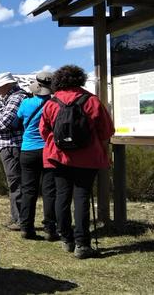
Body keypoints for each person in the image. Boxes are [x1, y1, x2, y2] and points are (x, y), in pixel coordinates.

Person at [39, 65, 115, 259]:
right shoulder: (91, 101)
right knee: (82, 198)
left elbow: (44, 131)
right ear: (80, 79)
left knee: (61, 196)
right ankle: (82, 244)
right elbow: (106, 131)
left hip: (58, 157)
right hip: (87, 159)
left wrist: (55, 146)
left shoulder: (52, 103)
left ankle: (67, 239)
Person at [0, 72, 29, 231]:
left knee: (16, 182)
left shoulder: (16, 98)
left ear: (7, 85)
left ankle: (21, 220)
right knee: (15, 182)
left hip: (11, 146)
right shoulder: (14, 98)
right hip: (12, 145)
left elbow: (4, 122)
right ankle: (17, 217)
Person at [16, 71, 58, 241]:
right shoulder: (55, 104)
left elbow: (16, 122)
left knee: (28, 190)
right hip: (49, 150)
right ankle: (50, 229)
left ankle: (26, 227)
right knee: (49, 191)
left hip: (27, 150)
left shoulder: (26, 103)